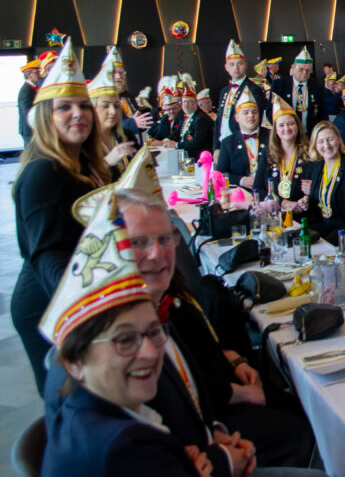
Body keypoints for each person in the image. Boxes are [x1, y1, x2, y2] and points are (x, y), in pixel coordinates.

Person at [112, 174, 318, 471]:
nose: (157, 253)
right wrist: (220, 452)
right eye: (139, 242)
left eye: (164, 239)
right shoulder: (124, 330)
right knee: (302, 425)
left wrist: (233, 359)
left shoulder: (162, 299)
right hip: (199, 436)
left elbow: (192, 363)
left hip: (213, 411)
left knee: (301, 403)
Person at [39, 192, 215, 477]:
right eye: (125, 340)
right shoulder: (120, 447)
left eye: (164, 238)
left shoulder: (154, 311)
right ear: (75, 362)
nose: (151, 351)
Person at [13, 40, 109, 394]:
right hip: (49, 303)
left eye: (84, 106)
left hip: (79, 289)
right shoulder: (43, 172)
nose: (78, 114)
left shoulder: (83, 163)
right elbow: (47, 256)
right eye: (64, 107)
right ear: (45, 116)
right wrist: (93, 308)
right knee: (70, 401)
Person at [302, 121, 345, 246]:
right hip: (323, 230)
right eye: (321, 141)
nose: (326, 145)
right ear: (315, 145)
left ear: (339, 139)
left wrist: (325, 240)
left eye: (330, 139)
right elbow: (315, 207)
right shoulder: (317, 167)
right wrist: (306, 201)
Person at [255, 94, 310, 212]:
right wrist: (282, 203)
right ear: (275, 130)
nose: (287, 128)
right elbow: (258, 188)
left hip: (303, 216)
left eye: (291, 123)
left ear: (298, 125)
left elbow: (316, 186)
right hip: (274, 215)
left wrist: (307, 198)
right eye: (281, 125)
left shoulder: (310, 152)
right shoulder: (267, 153)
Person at [88, 48, 137, 180]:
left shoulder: (127, 136)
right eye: (105, 106)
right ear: (92, 108)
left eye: (116, 106)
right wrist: (107, 162)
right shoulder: (84, 143)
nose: (113, 111)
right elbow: (82, 184)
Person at [214, 40, 266, 147]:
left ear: (246, 65)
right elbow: (219, 121)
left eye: (240, 64)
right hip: (223, 144)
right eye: (232, 64)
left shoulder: (253, 89)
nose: (236, 68)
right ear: (226, 67)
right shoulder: (224, 91)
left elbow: (255, 120)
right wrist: (216, 147)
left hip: (240, 143)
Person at [215, 86, 269, 189]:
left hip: (268, 190)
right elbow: (220, 174)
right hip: (240, 192)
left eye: (254, 112)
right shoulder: (228, 143)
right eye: (245, 112)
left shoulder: (271, 137)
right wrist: (242, 180)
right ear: (237, 117)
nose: (251, 115)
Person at [269, 46, 323, 134]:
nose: (304, 73)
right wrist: (281, 132)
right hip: (286, 136)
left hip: (309, 136)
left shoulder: (317, 88)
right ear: (293, 67)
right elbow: (270, 111)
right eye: (301, 69)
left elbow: (323, 115)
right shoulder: (279, 85)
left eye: (308, 70)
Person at [172, 80, 215, 160]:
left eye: (189, 101)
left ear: (195, 103)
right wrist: (165, 141)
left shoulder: (201, 119)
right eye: (184, 102)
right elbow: (176, 133)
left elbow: (197, 143)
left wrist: (176, 145)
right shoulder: (187, 117)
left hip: (199, 159)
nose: (186, 104)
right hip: (186, 156)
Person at [18, 58, 40, 146]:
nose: (39, 74)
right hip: (29, 130)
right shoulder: (26, 90)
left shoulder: (32, 88)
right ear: (29, 75)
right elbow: (28, 112)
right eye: (37, 72)